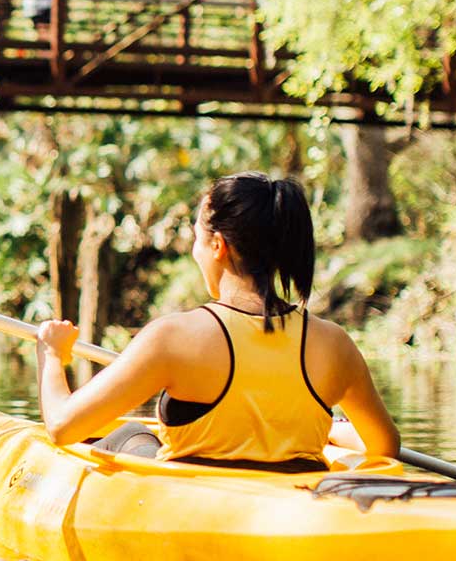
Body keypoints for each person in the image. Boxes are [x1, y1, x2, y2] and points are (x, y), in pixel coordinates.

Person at [34, 172, 400, 470]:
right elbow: (385, 445)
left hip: (200, 516)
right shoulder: (334, 344)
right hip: (292, 508)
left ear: (217, 246)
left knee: (132, 435)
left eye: (196, 236)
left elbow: (63, 426)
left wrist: (52, 354)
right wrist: (333, 433)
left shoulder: (175, 337)